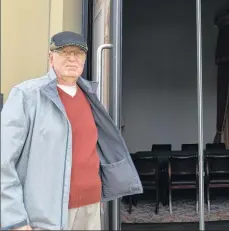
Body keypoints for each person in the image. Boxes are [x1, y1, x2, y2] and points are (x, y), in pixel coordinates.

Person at [1, 31, 143, 230]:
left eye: (78, 53)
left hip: (91, 207)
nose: (72, 58)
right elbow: (3, 161)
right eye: (64, 52)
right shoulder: (27, 95)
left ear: (85, 59)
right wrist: (15, 218)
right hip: (46, 213)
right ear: (51, 58)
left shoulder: (90, 96)